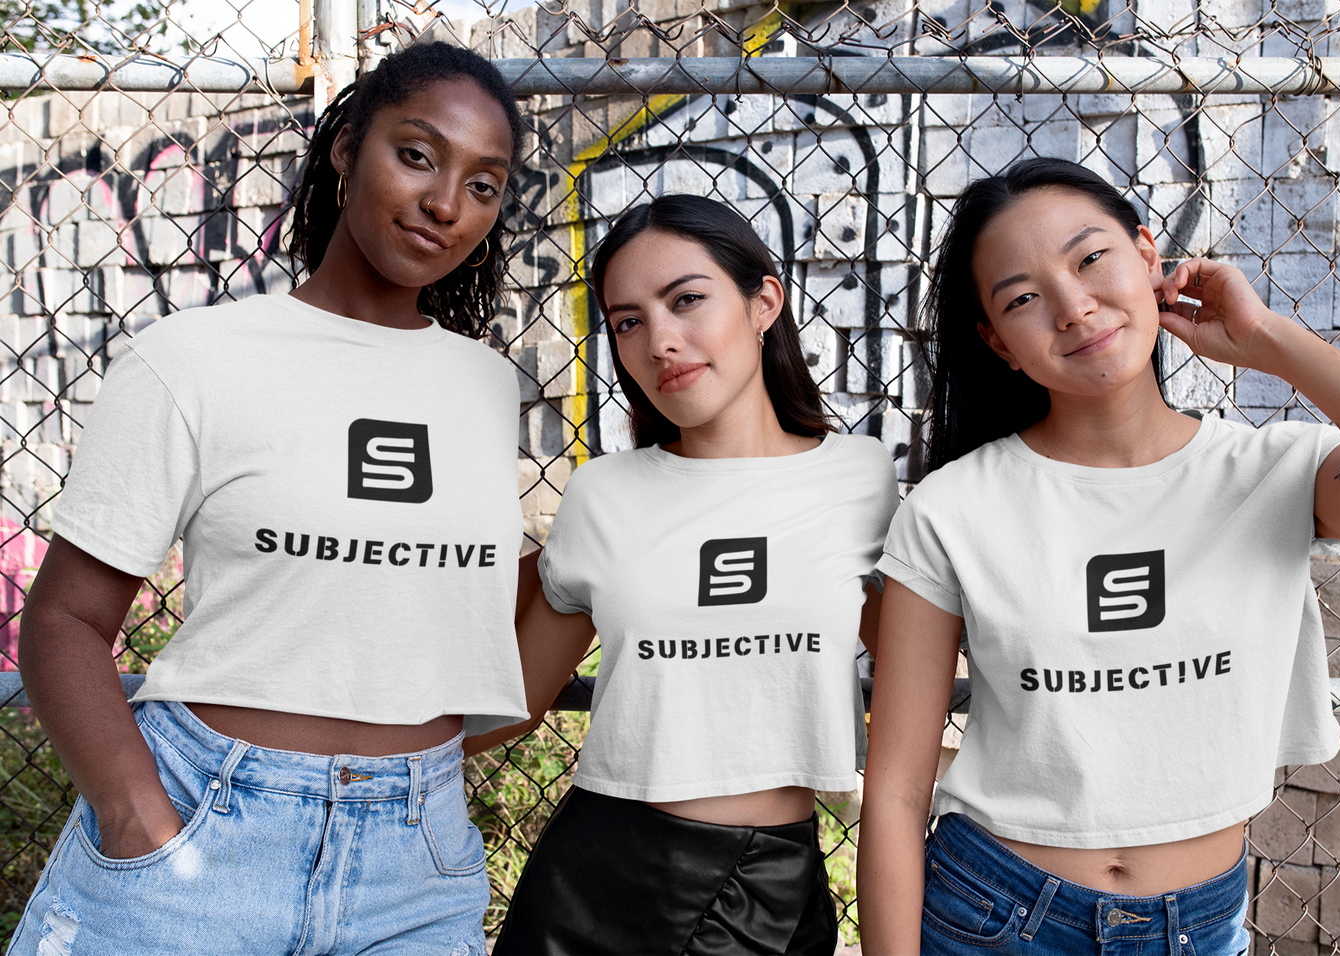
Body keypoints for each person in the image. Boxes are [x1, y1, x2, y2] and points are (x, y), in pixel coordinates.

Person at [9, 41, 530, 955]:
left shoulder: (487, 386)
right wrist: (137, 818)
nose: (446, 204)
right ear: (347, 148)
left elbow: (454, 629)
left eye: (482, 185)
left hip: (415, 866)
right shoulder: (193, 360)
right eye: (416, 155)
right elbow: (64, 621)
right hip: (201, 830)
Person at [857, 157, 1340, 955]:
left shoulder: (1272, 470)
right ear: (997, 342)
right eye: (1022, 298)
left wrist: (1267, 340)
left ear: (1146, 255)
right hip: (996, 914)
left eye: (1091, 258)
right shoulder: (952, 507)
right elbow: (895, 792)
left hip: (1199, 925)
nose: (1073, 307)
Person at [469, 194, 899, 954]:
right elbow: (514, 705)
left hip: (769, 883)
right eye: (628, 322)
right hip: (593, 887)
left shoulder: (861, 480)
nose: (660, 341)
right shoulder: (604, 494)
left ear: (764, 302)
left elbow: (919, 667)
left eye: (687, 300)